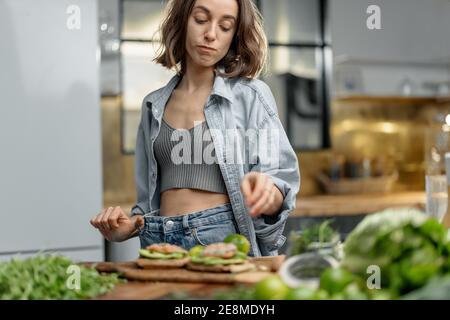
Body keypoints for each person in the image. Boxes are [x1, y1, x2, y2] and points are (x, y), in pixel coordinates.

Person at [90, 0, 300, 256]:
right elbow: (147, 204)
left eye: (225, 27)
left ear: (234, 36)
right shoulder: (152, 105)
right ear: (182, 21)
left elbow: (280, 180)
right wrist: (131, 226)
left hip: (223, 241)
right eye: (201, 20)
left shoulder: (251, 95)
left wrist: (270, 193)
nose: (211, 34)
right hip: (161, 246)